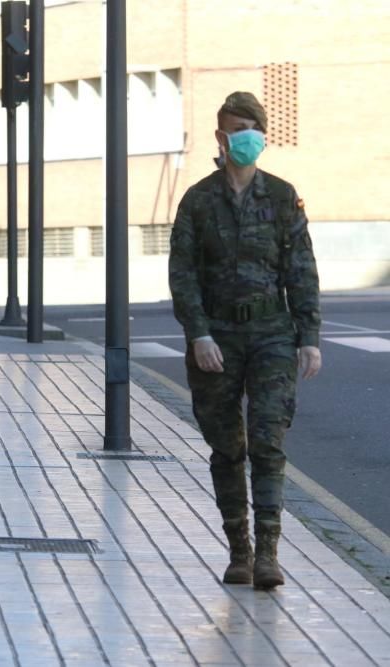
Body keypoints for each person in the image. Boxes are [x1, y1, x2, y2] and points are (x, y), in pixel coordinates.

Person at [169, 92, 321, 590]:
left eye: (255, 129)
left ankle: (269, 555)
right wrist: (198, 334)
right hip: (218, 337)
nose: (247, 138)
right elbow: (183, 274)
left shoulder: (281, 197)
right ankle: (240, 549)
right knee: (227, 447)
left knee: (268, 441)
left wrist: (309, 336)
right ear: (221, 136)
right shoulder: (198, 200)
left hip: (272, 334)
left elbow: (301, 269)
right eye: (238, 129)